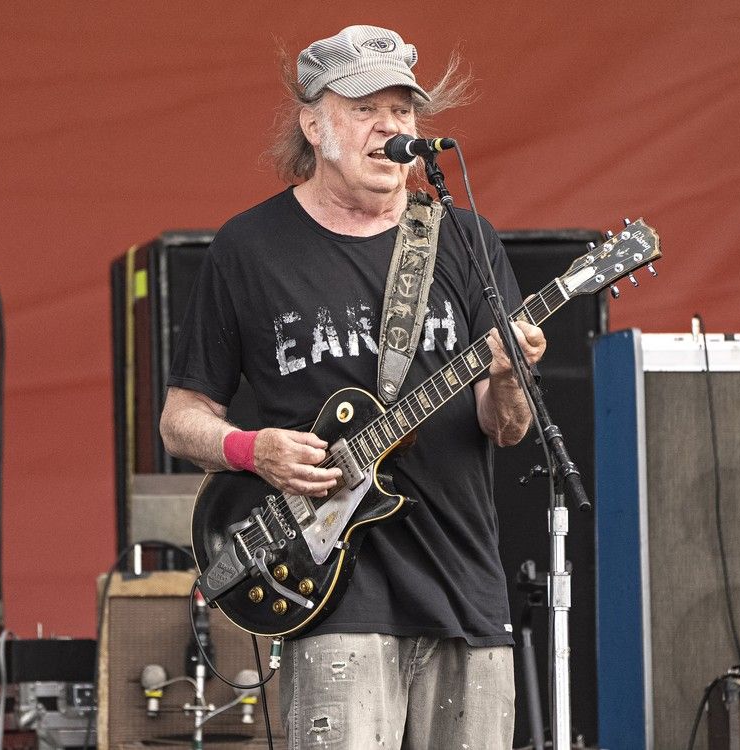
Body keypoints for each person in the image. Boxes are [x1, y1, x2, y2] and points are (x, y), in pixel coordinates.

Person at [160, 24, 546, 750]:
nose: (391, 128)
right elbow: (182, 419)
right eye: (366, 108)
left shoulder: (465, 240)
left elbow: (507, 428)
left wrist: (507, 378)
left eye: (402, 110)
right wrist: (252, 450)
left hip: (464, 581)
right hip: (331, 588)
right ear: (314, 125)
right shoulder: (250, 248)